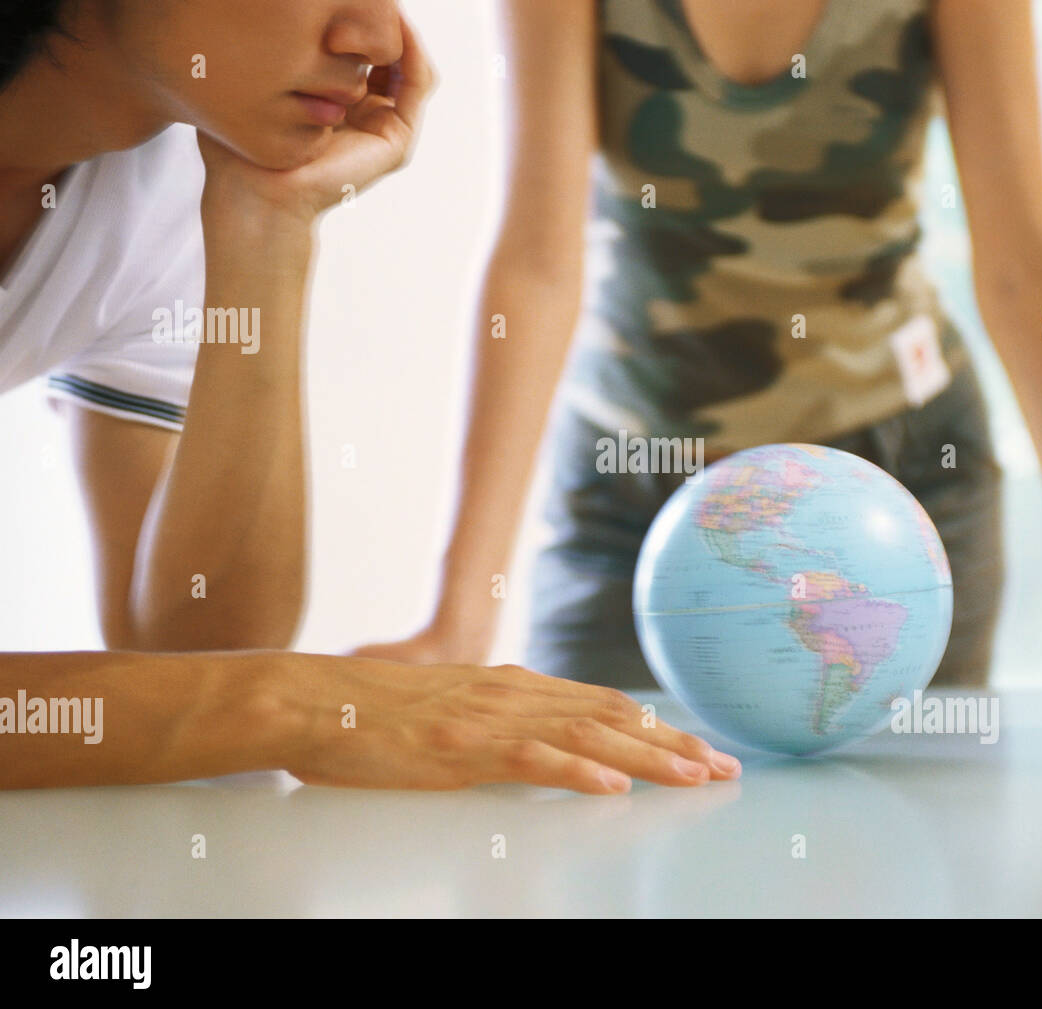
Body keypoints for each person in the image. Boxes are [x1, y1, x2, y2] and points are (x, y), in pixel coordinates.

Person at [358, 0, 1042, 692]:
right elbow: (538, 261)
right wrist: (460, 620)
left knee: (898, 864)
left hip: (900, 493)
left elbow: (1022, 263)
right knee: (594, 838)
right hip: (639, 491)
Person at [0, 0, 740, 793]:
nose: (378, 42)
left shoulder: (167, 180)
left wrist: (268, 221)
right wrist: (293, 702)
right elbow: (219, 692)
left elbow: (190, 646)